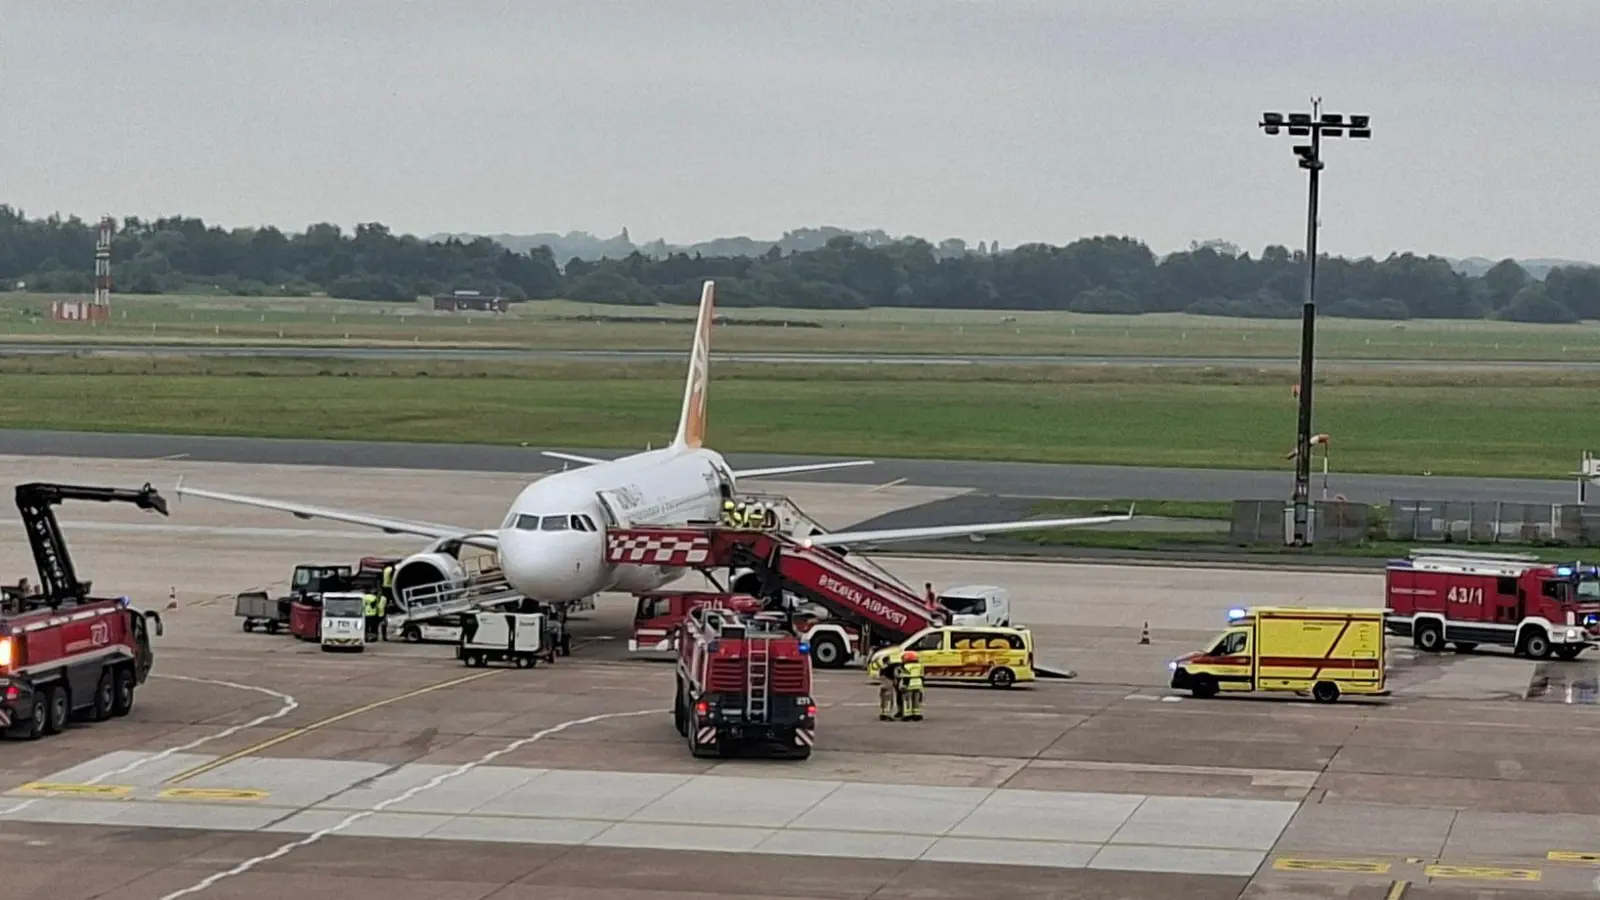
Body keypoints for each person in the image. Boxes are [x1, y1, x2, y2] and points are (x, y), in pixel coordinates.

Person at [897, 650, 925, 721]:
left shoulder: (905, 666)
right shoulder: (920, 666)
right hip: (918, 684)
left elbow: (905, 677)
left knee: (907, 700)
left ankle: (907, 715)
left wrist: (903, 685)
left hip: (909, 685)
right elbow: (922, 676)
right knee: (916, 700)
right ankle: (917, 714)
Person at [877, 656, 903, 721]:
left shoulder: (882, 667)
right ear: (888, 660)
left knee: (883, 700)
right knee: (889, 700)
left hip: (882, 685)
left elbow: (879, 676)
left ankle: (882, 713)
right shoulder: (891, 667)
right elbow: (895, 675)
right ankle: (888, 715)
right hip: (888, 684)